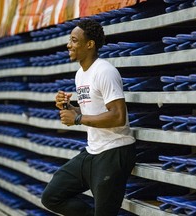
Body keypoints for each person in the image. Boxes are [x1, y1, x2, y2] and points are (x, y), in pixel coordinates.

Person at [41, 19, 136, 216]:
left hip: (114, 151)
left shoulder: (105, 71)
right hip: (93, 151)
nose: (69, 45)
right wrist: (69, 107)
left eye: (74, 40)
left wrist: (77, 120)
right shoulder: (80, 75)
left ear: (89, 44)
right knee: (51, 197)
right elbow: (90, 112)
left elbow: (118, 116)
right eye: (70, 40)